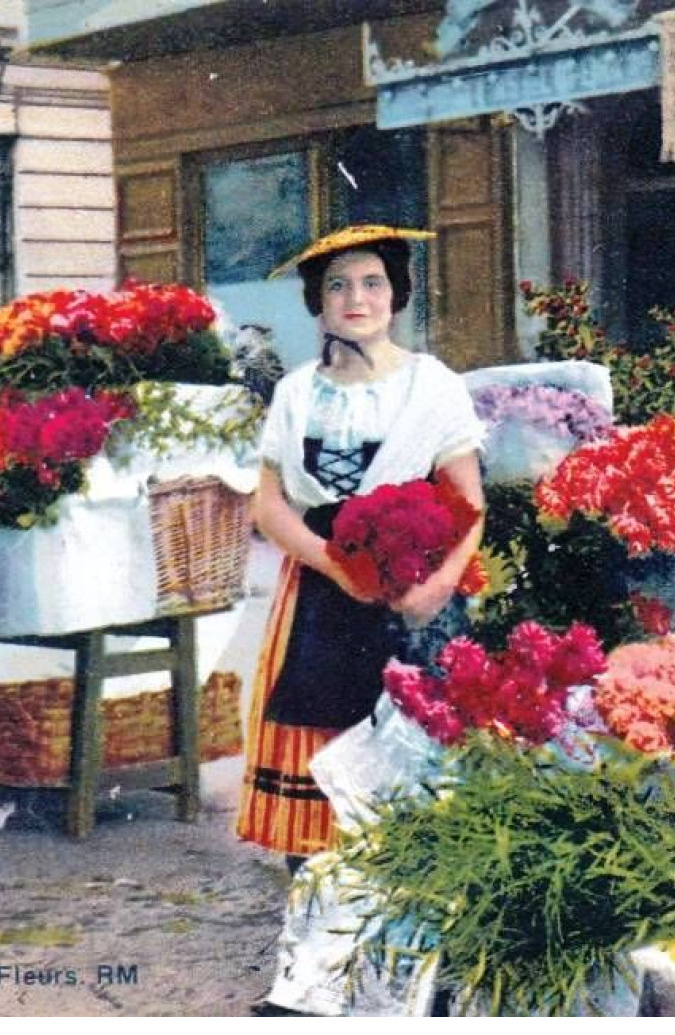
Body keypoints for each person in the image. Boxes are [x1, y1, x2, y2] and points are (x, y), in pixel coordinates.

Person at [235, 225, 486, 872]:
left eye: (372, 282)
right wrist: (333, 565)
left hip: (414, 593)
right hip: (319, 592)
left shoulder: (433, 386)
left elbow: (468, 503)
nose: (356, 297)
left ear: (395, 295)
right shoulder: (295, 393)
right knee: (322, 747)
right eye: (338, 284)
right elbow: (268, 503)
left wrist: (436, 589)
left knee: (417, 751)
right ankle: (323, 917)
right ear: (317, 300)